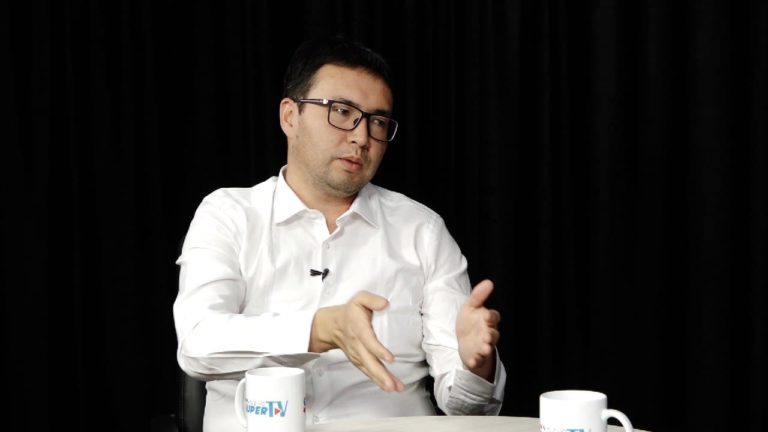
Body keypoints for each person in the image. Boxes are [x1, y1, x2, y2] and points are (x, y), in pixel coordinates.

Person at [173, 35, 506, 431]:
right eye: (342, 112)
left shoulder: (422, 231)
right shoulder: (229, 214)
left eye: (377, 121)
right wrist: (318, 330)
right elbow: (197, 342)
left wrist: (475, 366)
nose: (361, 137)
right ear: (290, 117)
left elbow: (469, 411)